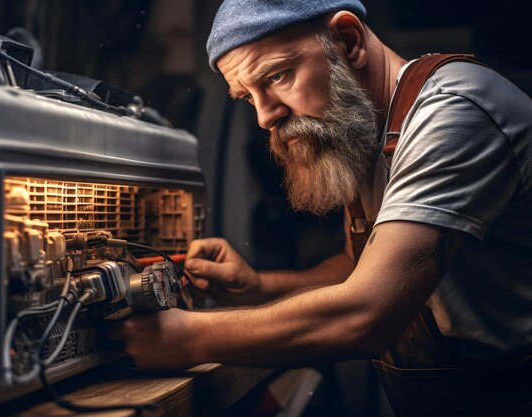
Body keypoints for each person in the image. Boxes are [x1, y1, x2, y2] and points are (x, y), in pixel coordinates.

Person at [115, 1, 532, 415]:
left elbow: (367, 313)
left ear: (347, 41)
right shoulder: (368, 128)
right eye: (247, 96)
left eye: (277, 76)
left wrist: (186, 338)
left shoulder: (454, 113)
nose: (264, 117)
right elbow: (360, 269)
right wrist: (257, 285)